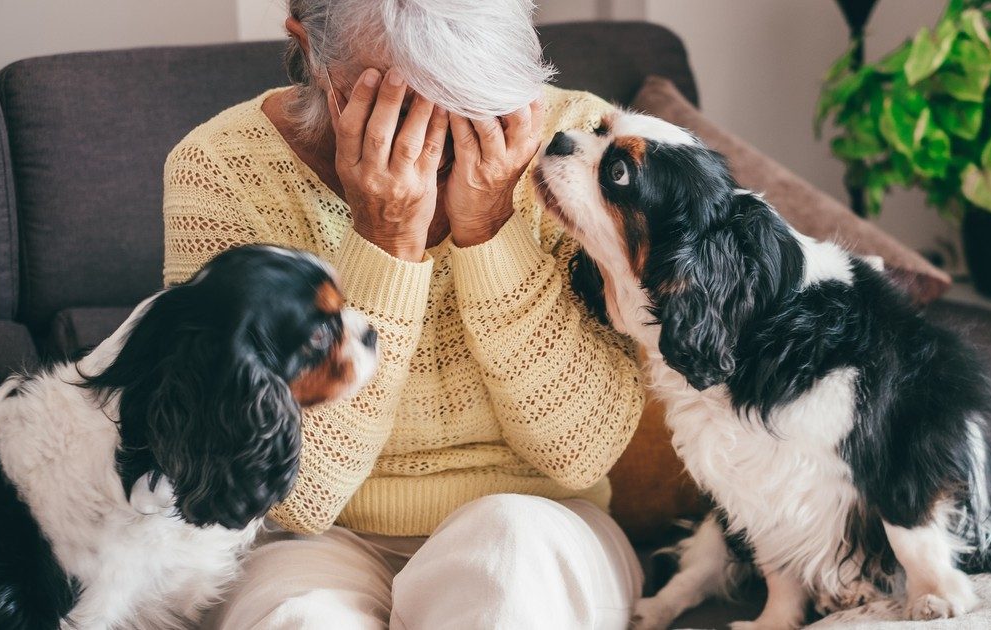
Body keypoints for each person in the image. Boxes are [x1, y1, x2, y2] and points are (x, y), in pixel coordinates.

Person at [161, 1, 646, 628]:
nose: (440, 139)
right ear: (310, 52)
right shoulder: (219, 170)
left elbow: (580, 454)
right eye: (403, 107)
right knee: (301, 619)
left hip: (542, 519)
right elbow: (295, 497)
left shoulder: (582, 145)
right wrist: (384, 242)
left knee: (509, 560)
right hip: (324, 539)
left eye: (476, 101)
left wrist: (491, 227)